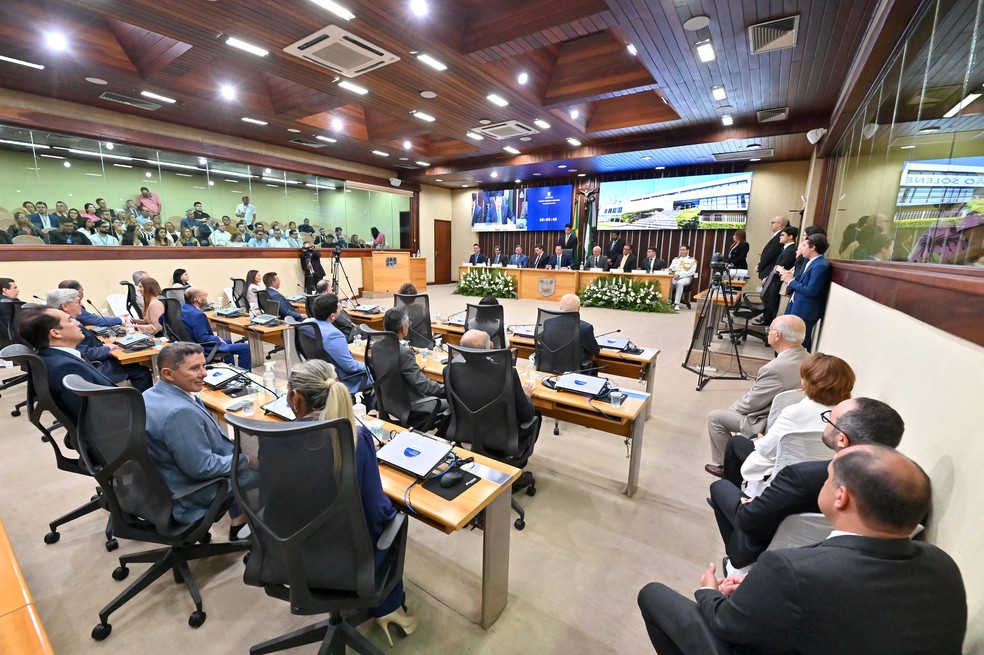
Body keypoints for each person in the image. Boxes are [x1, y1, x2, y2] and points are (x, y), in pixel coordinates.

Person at [639, 444, 967, 655]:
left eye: (827, 478)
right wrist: (762, 591)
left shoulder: (791, 569)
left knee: (653, 595)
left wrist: (708, 592)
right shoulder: (944, 566)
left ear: (841, 497)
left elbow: (727, 624)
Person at [282, 360, 417, 642]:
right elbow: (375, 509)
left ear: (296, 397)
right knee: (391, 525)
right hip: (347, 557)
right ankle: (387, 607)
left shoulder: (277, 436)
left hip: (290, 549)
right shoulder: (356, 438)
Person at [710, 397, 905, 569]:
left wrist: (754, 504)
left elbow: (749, 521)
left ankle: (733, 563)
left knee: (719, 488)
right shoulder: (902, 490)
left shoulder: (802, 477)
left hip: (764, 553)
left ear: (842, 440)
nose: (826, 422)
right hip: (835, 565)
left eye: (829, 419)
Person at [143, 342, 256, 539]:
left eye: (204, 365)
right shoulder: (179, 413)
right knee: (271, 471)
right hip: (190, 491)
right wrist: (245, 459)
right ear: (168, 374)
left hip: (166, 480)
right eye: (195, 368)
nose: (204, 374)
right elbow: (202, 467)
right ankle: (269, 532)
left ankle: (239, 519)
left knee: (232, 450)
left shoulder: (149, 394)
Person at [722, 352, 855, 488]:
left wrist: (761, 440)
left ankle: (730, 496)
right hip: (824, 477)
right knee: (755, 436)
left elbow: (765, 449)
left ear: (810, 383)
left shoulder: (794, 412)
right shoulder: (850, 416)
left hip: (786, 473)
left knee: (735, 442)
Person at [704, 315, 808, 477]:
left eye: (769, 330)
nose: (767, 332)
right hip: (795, 419)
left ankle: (729, 467)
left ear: (778, 335)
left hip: (767, 421)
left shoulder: (775, 368)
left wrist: (731, 410)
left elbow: (751, 403)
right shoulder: (810, 359)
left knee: (715, 418)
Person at [15, 306, 117, 419]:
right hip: (122, 421)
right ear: (55, 333)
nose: (78, 323)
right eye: (70, 320)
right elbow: (95, 417)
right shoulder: (66, 368)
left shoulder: (49, 357)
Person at [45, 289, 153, 392]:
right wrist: (106, 348)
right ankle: (144, 407)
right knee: (141, 371)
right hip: (96, 367)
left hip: (91, 364)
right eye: (78, 302)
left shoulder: (56, 323)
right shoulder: (64, 328)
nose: (81, 305)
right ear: (65, 306)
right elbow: (85, 353)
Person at [382, 306, 446, 407]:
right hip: (411, 404)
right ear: (403, 328)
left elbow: (390, 368)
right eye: (408, 324)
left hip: (389, 400)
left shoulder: (377, 346)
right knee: (452, 403)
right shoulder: (404, 353)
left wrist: (412, 368)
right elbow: (425, 386)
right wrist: (450, 389)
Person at [779, 233, 831, 351]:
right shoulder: (810, 262)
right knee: (790, 338)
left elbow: (812, 290)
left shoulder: (820, 265)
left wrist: (791, 282)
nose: (802, 248)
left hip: (806, 309)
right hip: (796, 304)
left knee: (801, 342)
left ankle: (801, 367)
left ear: (812, 247)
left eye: (804, 245)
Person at [307, 294, 369, 394]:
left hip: (319, 373)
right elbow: (351, 367)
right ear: (332, 315)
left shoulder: (307, 324)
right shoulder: (334, 335)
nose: (341, 309)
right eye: (339, 308)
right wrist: (370, 364)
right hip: (343, 380)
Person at [181, 288, 252, 369]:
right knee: (244, 347)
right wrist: (217, 338)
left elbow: (162, 318)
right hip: (202, 348)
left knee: (227, 341)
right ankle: (244, 377)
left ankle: (230, 370)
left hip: (188, 344)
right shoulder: (198, 315)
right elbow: (202, 338)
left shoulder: (182, 306)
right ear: (197, 299)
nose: (206, 297)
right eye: (205, 295)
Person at [543, 294, 600, 372]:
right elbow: (595, 351)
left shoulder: (548, 323)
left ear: (560, 307)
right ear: (579, 309)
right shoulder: (585, 328)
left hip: (549, 367)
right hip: (573, 372)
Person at [755, 225, 799, 326]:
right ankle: (767, 320)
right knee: (770, 302)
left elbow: (780, 267)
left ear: (790, 237)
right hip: (773, 280)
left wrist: (770, 276)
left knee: (774, 305)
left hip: (777, 282)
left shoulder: (791, 250)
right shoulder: (785, 249)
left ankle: (772, 325)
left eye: (783, 235)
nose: (780, 237)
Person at [56, 279, 125, 329]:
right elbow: (96, 320)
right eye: (82, 291)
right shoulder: (71, 307)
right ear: (77, 292)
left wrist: (115, 318)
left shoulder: (58, 304)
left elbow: (89, 317)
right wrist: (122, 319)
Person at [754, 215, 788, 285]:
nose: (770, 225)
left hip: (769, 270)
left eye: (773, 222)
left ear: (780, 224)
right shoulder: (777, 235)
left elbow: (771, 254)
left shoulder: (780, 236)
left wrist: (760, 266)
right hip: (767, 269)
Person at [668, 245, 697, 309]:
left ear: (687, 251)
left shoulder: (692, 260)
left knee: (680, 283)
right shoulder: (676, 259)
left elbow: (691, 272)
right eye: (680, 249)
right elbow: (671, 269)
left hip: (686, 278)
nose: (681, 251)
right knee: (667, 282)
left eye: (683, 250)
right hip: (675, 277)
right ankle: (668, 301)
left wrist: (679, 275)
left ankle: (676, 304)